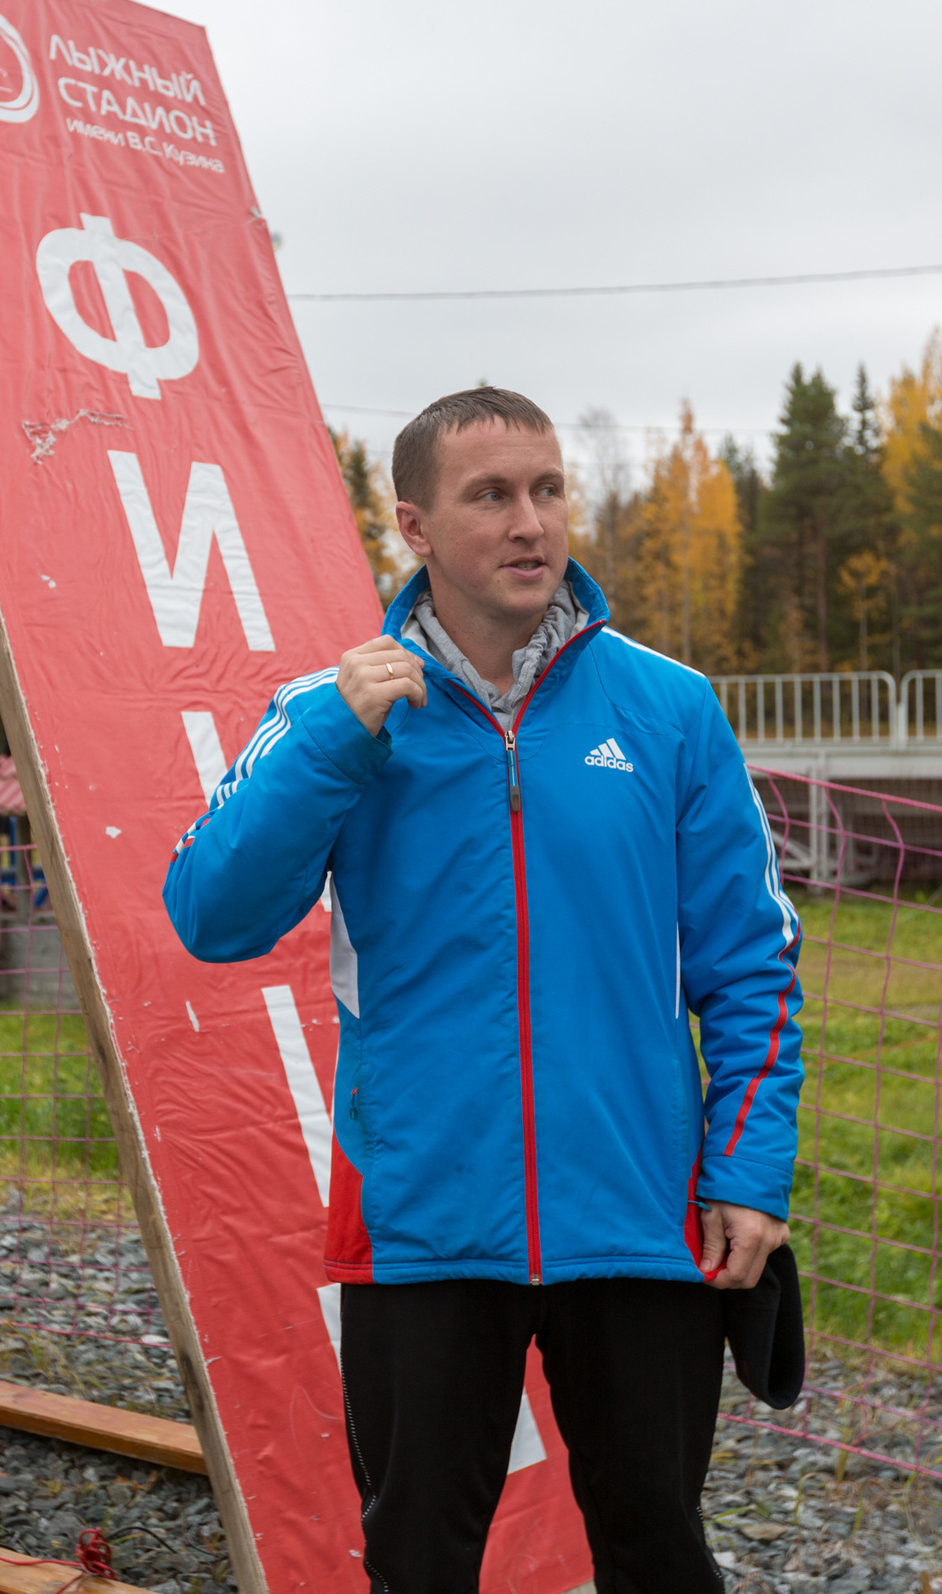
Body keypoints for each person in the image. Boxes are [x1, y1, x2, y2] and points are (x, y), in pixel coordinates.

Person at [164, 386, 804, 1592]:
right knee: (416, 1561)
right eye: (490, 495)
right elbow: (211, 916)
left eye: (547, 490)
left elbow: (752, 961)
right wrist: (332, 746)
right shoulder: (329, 715)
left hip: (637, 1219)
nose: (530, 522)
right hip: (420, 1222)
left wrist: (747, 1174)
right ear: (410, 524)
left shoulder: (668, 708)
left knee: (660, 1551)